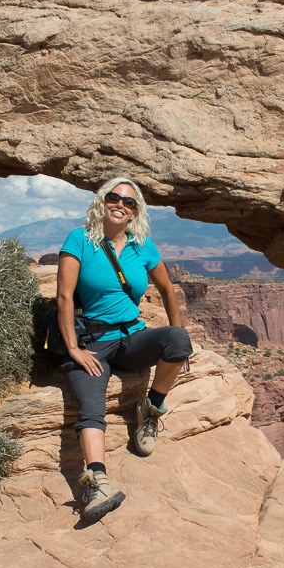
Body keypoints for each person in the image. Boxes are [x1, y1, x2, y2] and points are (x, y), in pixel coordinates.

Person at [56, 177, 192, 523]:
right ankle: (97, 482)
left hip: (132, 337)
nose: (120, 204)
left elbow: (167, 288)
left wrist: (179, 329)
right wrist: (73, 348)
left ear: (136, 211)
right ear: (102, 202)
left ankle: (151, 409)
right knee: (90, 406)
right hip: (93, 343)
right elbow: (65, 297)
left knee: (177, 342)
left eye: (128, 202)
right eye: (113, 197)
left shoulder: (141, 245)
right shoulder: (80, 240)